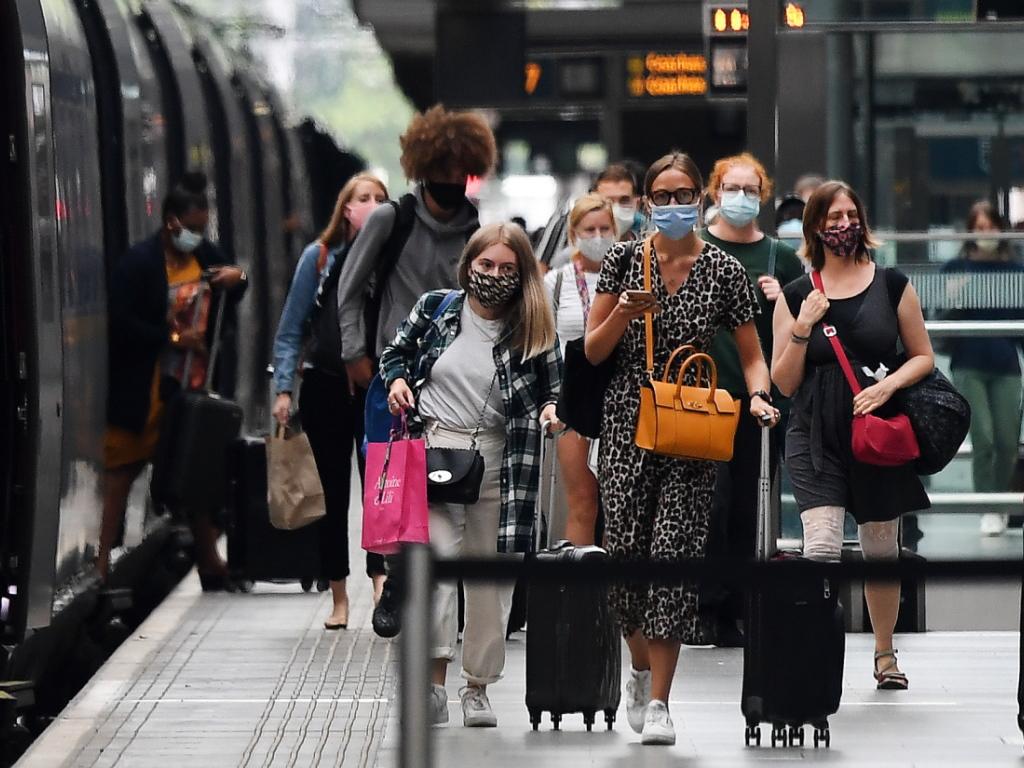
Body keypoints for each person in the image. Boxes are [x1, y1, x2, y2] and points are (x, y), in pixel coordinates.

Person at [585, 152, 778, 745]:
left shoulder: (722, 270)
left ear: (701, 198)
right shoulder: (624, 260)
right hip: (627, 422)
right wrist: (623, 312)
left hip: (692, 423)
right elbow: (593, 350)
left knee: (674, 557)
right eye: (663, 197)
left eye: (684, 195)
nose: (674, 206)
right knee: (624, 557)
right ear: (647, 203)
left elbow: (751, 354)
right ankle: (640, 667)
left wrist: (758, 396)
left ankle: (661, 701)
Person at [379, 223, 561, 728]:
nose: (494, 276)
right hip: (436, 451)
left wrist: (550, 410)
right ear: (469, 265)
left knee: (491, 580)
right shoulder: (437, 309)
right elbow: (395, 354)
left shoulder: (533, 326)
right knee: (433, 570)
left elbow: (555, 388)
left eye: (507, 268)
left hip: (504, 460)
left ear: (522, 274)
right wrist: (397, 381)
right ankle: (433, 687)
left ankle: (477, 687)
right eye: (486, 265)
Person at [334, 105, 496, 632]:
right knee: (393, 483)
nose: (452, 179)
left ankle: (421, 587)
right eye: (442, 168)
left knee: (445, 483)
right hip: (394, 375)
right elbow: (348, 290)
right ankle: (394, 579)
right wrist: (355, 354)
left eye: (461, 170)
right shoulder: (391, 219)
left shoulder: (475, 228)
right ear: (423, 167)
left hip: (455, 380)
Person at [772, 180, 933, 691]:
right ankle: (814, 652)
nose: (844, 225)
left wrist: (888, 385)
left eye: (851, 215)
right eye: (833, 217)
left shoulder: (891, 285)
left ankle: (884, 651)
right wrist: (803, 327)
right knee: (820, 545)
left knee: (881, 547)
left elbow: (923, 356)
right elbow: (783, 382)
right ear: (815, 228)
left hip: (877, 430)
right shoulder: (797, 295)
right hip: (814, 432)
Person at [100, 172, 248, 586]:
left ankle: (210, 561)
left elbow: (234, 282)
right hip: (143, 390)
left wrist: (240, 278)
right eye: (192, 227)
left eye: (202, 228)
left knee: (196, 473)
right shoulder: (139, 264)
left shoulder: (205, 256)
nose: (197, 236)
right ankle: (101, 561)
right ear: (171, 222)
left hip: (192, 392)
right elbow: (120, 322)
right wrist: (172, 338)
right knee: (122, 471)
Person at [271, 173, 389, 628]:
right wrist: (284, 388)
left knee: (381, 487)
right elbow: (291, 328)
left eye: (380, 199)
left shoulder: (390, 257)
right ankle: (338, 594)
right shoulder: (319, 258)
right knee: (331, 493)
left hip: (378, 386)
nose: (371, 205)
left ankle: (380, 581)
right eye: (363, 198)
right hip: (325, 385)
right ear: (346, 208)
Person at [701, 153, 806, 646]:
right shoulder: (698, 248)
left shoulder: (779, 258)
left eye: (749, 190)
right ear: (715, 192)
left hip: (758, 401)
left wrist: (781, 298)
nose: (740, 198)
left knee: (748, 505)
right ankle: (704, 603)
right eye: (731, 188)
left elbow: (802, 325)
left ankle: (736, 608)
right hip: (701, 397)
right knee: (709, 504)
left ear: (761, 196)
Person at [941, 200, 1024, 537]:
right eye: (979, 228)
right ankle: (988, 505)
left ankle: (1000, 503)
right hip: (969, 363)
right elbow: (939, 320)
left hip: (1006, 363)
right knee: (983, 438)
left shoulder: (1016, 270)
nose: (985, 233)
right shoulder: (956, 268)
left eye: (991, 227)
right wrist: (954, 298)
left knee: (1007, 441)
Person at [544, 194, 616, 545]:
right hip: (573, 399)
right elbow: (544, 345)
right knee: (583, 503)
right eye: (589, 229)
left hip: (619, 398)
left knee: (619, 506)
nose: (598, 237)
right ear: (574, 234)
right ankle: (579, 577)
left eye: (605, 229)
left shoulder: (631, 277)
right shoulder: (556, 282)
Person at [594, 163, 643, 241]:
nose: (616, 209)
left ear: (637, 204)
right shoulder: (579, 246)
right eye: (608, 201)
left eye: (624, 200)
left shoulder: (652, 244)